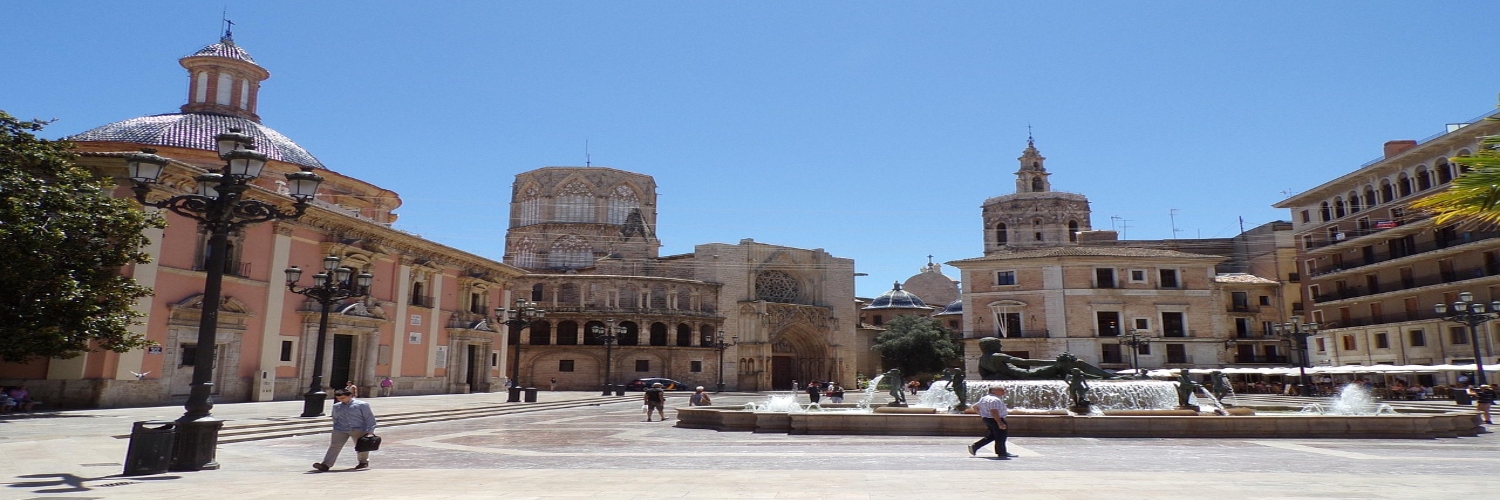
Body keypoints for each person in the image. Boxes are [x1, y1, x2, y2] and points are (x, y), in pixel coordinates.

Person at [312, 388, 377, 472]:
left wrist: (370, 431)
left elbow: (369, 418)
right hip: (341, 429)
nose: (341, 400)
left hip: (358, 428)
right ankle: (326, 464)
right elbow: (335, 418)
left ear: (350, 396)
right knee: (334, 446)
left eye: (343, 398)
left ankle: (363, 462)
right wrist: (335, 429)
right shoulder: (337, 406)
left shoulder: (362, 405)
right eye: (338, 399)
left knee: (361, 446)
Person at [967, 386, 1017, 459]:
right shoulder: (994, 400)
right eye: (1001, 390)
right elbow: (994, 411)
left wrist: (982, 415)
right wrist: (1000, 422)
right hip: (996, 419)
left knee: (993, 435)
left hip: (987, 419)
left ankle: (975, 446)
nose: (1004, 392)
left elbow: (975, 407)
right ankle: (1002, 452)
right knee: (1001, 436)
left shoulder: (984, 398)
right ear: (993, 391)